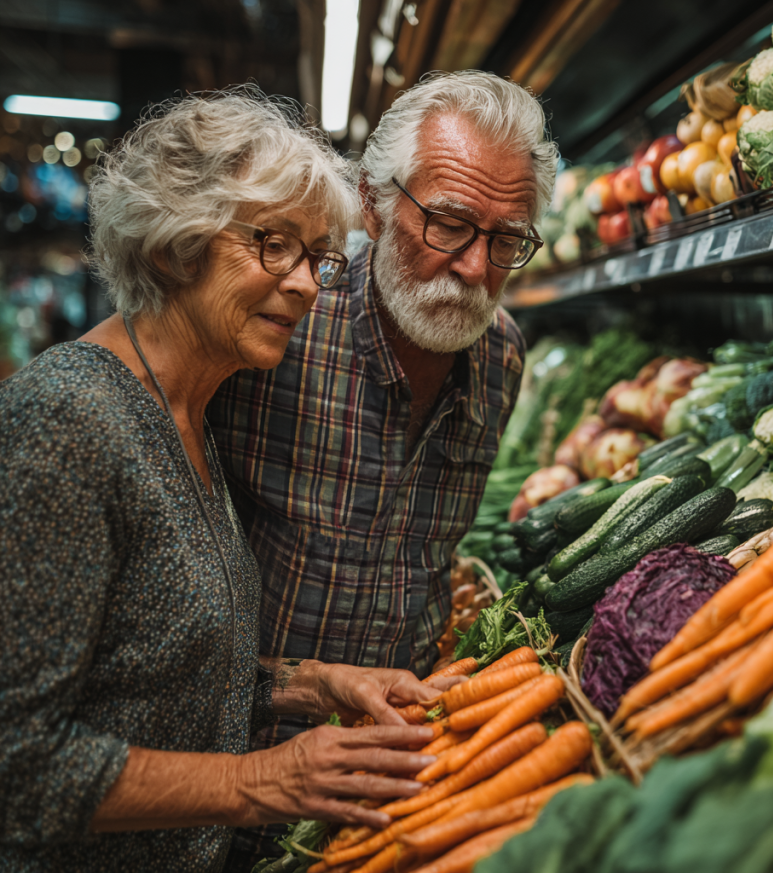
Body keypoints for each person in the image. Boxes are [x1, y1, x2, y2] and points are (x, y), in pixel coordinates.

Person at [0, 86, 455, 873]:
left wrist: (313, 684)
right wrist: (258, 780)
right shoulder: (66, 419)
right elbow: (18, 762)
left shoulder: (191, 418)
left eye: (316, 256)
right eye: (273, 244)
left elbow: (153, 680)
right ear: (178, 240)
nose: (308, 284)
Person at [209, 70, 559, 869]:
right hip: (221, 785)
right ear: (371, 202)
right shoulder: (276, 327)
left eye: (507, 239)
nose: (475, 267)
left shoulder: (501, 356)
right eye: (447, 223)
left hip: (387, 800)